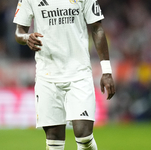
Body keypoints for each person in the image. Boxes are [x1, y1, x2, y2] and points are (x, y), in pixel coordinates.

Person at [13, 0, 115, 149]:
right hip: (47, 76)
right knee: (54, 140)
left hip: (79, 73)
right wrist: (26, 37)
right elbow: (18, 32)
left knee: (84, 135)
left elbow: (97, 28)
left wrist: (106, 71)